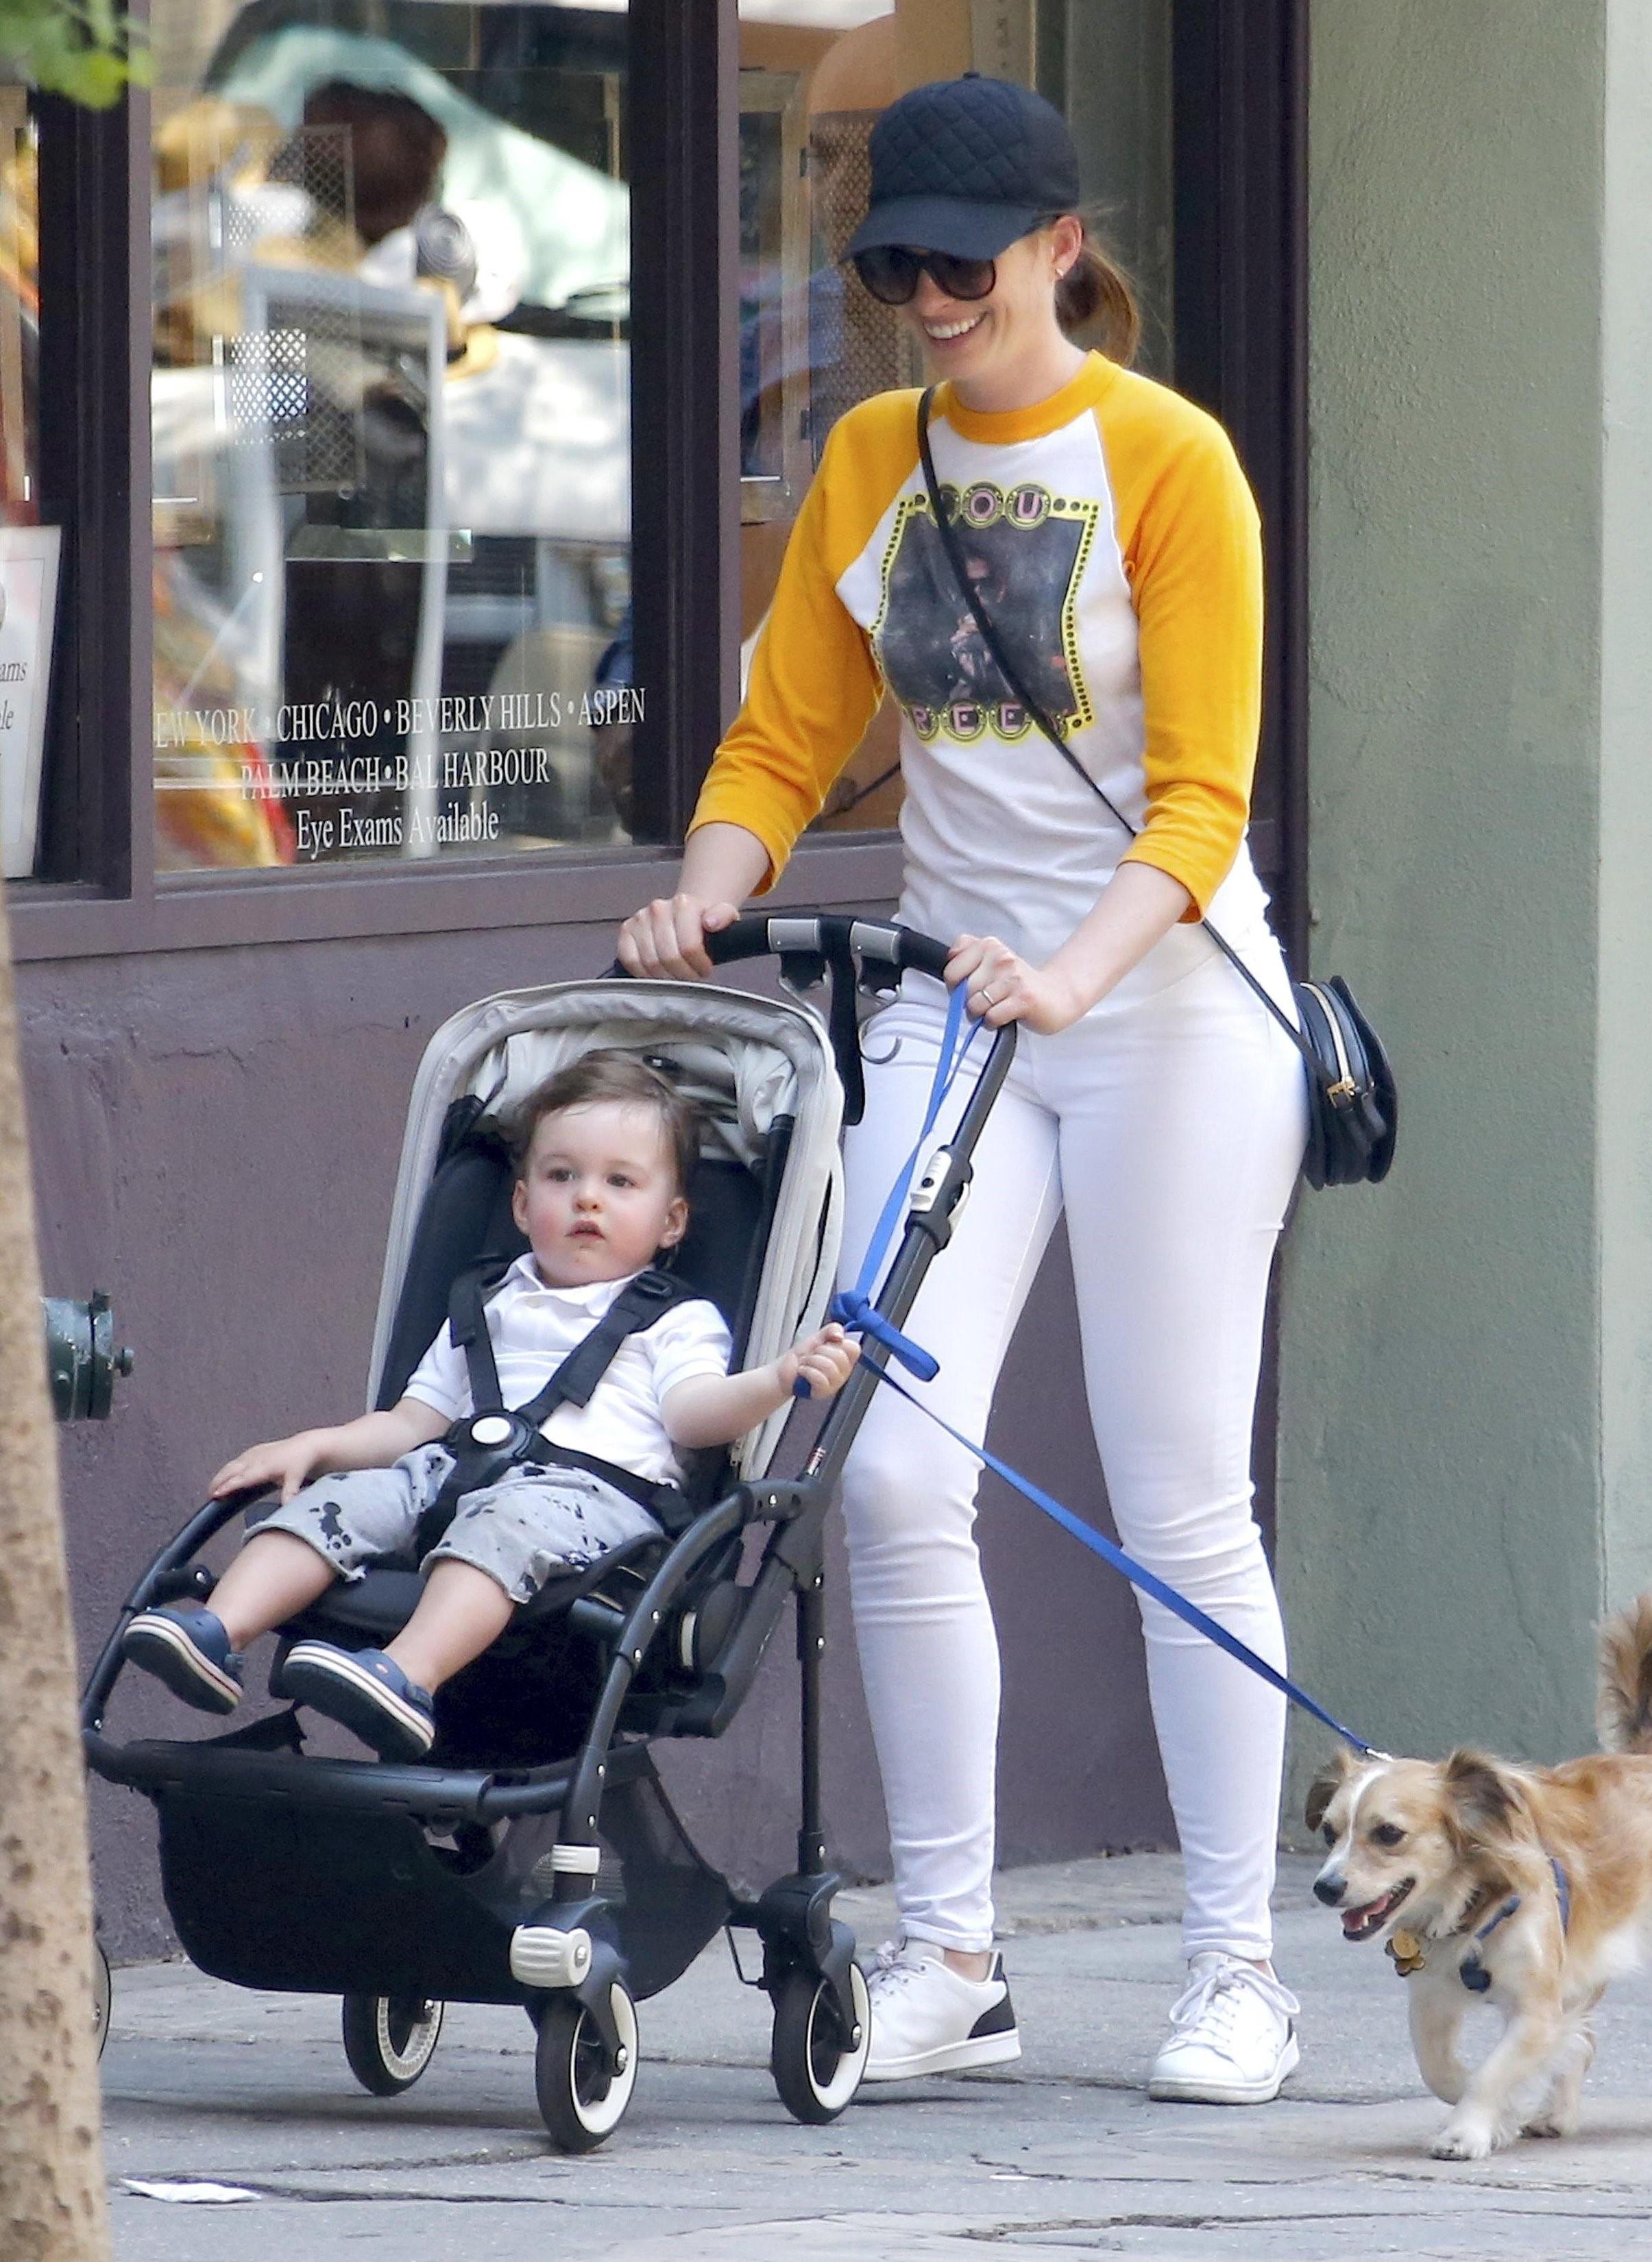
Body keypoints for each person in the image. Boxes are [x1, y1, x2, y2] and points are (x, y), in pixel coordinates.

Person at [617, 73, 1308, 2104]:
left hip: (1167, 1009)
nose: (927, 297)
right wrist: (699, 894)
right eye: (892, 263)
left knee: (1180, 1485)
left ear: (1060, 252)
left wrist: (1076, 966)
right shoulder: (865, 459)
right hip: (954, 1009)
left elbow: (1198, 801)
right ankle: (952, 1949)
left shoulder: (1166, 460)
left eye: (961, 263)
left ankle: (1234, 1963)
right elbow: (781, 740)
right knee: (896, 1470)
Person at [122, 1052, 858, 1760]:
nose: (587, 1197)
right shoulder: (490, 1302)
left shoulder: (676, 1319)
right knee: (339, 1501)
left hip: (590, 1500)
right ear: (521, 1201)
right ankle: (219, 1631)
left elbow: (693, 1416)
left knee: (504, 1525)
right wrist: (314, 1447)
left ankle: (405, 1674)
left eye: (620, 1182)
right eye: (561, 1176)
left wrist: (777, 1378)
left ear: (671, 1224)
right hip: (452, 1471)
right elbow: (411, 1424)